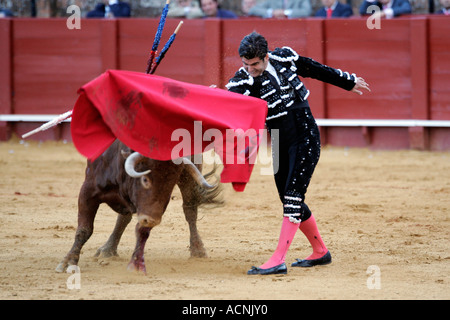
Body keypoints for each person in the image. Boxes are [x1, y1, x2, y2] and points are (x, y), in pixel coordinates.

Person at [226, 32, 370, 275]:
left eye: (255, 64)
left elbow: (315, 69)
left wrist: (347, 81)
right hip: (280, 142)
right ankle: (320, 251)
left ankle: (278, 259)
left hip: (305, 135)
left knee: (293, 196)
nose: (250, 69)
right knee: (287, 197)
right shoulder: (242, 80)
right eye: (246, 64)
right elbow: (225, 102)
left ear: (266, 56)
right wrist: (210, 95)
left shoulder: (284, 58)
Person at [247, 0, 312, 19]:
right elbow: (253, 9)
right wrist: (271, 12)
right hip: (275, 29)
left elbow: (307, 11)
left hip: (296, 29)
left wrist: (286, 13)